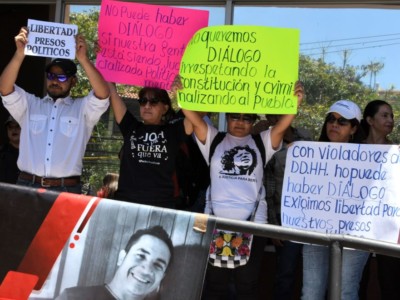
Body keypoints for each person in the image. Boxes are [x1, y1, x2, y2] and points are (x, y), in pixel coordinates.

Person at [181, 81, 304, 299]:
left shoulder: (262, 141)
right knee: (214, 285)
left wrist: (296, 102)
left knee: (246, 285)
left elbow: (283, 126)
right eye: (234, 116)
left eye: (247, 117)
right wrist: (181, 93)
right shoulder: (214, 138)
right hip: (214, 222)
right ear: (226, 117)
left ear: (254, 121)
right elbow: (191, 115)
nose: (240, 121)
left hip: (254, 224)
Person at [0, 27, 110, 194]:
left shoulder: (82, 109)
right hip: (27, 185)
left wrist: (83, 59)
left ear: (73, 81)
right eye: (51, 76)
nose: (55, 81)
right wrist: (19, 54)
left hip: (67, 189)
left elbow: (102, 94)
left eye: (62, 77)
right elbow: (5, 89)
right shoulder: (31, 104)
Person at [301, 99, 369, 300]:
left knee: (345, 292)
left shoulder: (370, 158)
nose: (334, 125)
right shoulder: (309, 155)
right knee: (311, 292)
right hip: (316, 231)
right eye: (331, 119)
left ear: (354, 128)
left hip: (355, 235)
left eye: (342, 122)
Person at [253, 115, 312, 300]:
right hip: (283, 216)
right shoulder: (263, 139)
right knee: (285, 273)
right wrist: (273, 223)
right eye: (273, 112)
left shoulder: (305, 136)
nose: (277, 115)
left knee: (311, 274)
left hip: (313, 214)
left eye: (281, 110)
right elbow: (266, 185)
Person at [107, 83, 192, 208]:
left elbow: (194, 116)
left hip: (161, 206)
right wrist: (108, 67)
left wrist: (181, 94)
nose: (147, 106)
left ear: (165, 108)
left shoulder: (174, 131)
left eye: (154, 101)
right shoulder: (130, 127)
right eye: (143, 101)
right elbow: (112, 92)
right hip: (126, 204)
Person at [57, 225, 173, 300]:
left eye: (158, 265)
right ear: (122, 258)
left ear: (162, 277)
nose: (146, 270)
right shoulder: (74, 297)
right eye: (141, 256)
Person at [360, 100, 398, 300]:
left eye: (391, 116)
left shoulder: (397, 153)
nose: (390, 120)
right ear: (369, 120)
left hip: (388, 228)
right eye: (384, 115)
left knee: (389, 282)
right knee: (356, 281)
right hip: (356, 229)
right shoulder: (352, 151)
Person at [0, 115, 21, 183]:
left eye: (17, 126)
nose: (13, 130)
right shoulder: (2, 153)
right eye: (10, 127)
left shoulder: (33, 153)